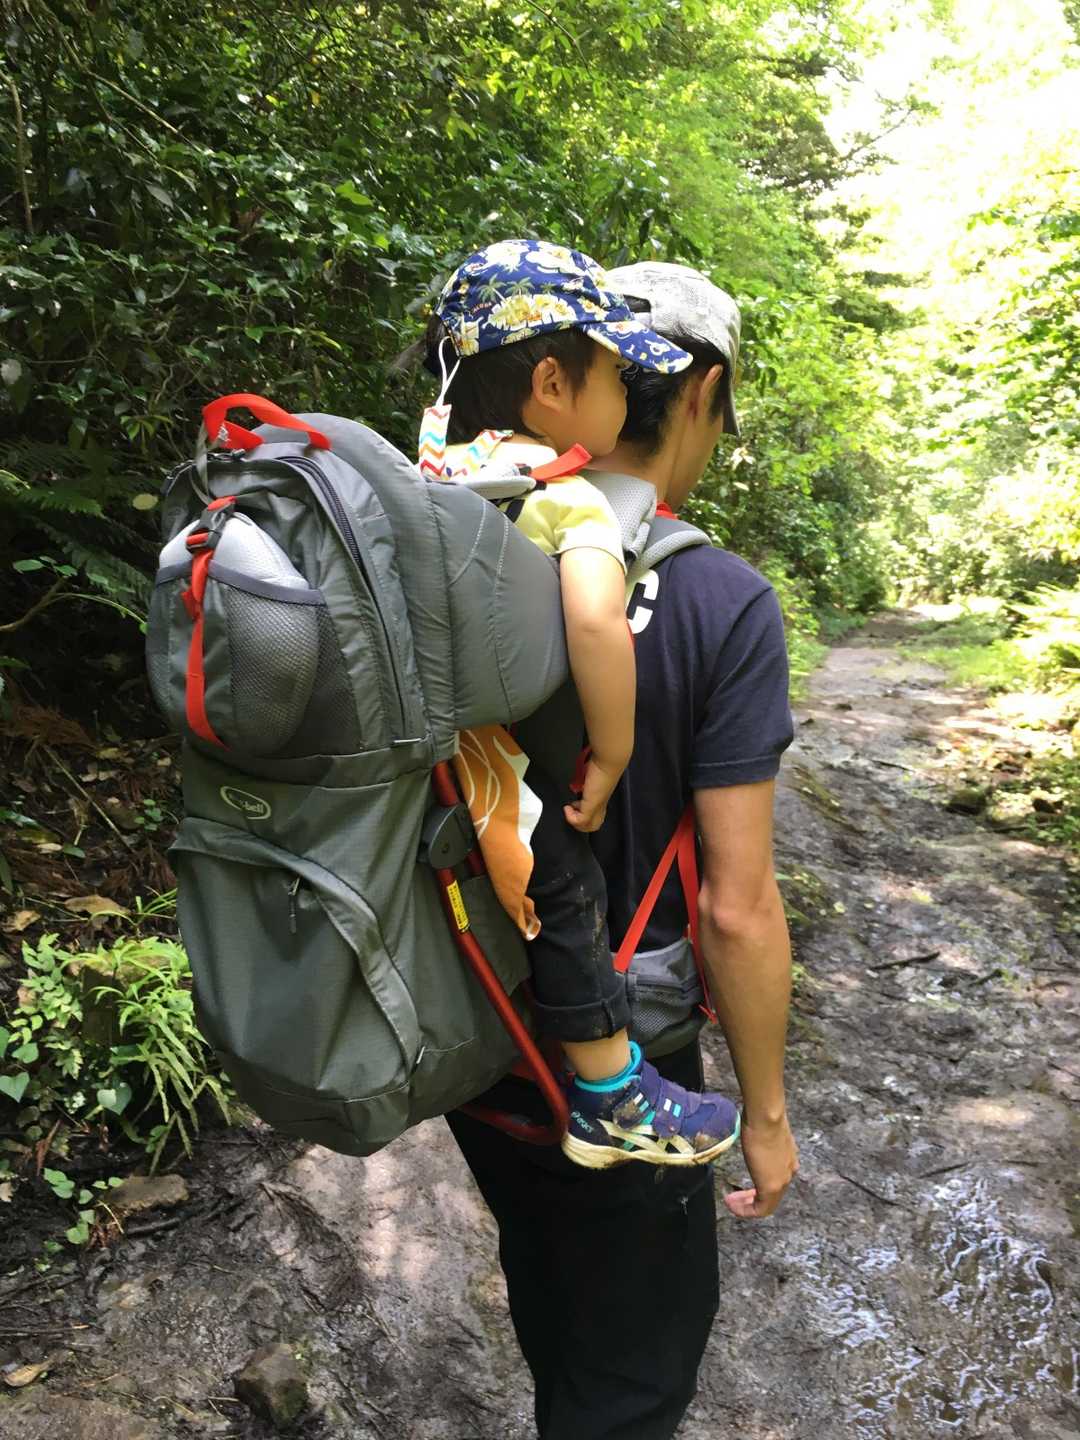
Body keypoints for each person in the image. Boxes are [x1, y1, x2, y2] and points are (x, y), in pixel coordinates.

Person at [444, 260, 799, 1440]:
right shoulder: (723, 603)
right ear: (699, 393)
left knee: (558, 1312)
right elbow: (738, 908)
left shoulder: (469, 533)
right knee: (633, 1383)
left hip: (478, 1040)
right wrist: (765, 1114)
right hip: (623, 1080)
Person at [415, 239, 741, 1170]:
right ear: (552, 385)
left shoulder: (425, 474)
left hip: (425, 760)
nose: (628, 394)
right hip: (503, 769)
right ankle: (608, 1092)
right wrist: (613, 749)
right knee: (565, 885)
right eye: (614, 374)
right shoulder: (565, 496)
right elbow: (597, 624)